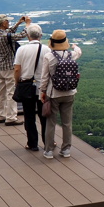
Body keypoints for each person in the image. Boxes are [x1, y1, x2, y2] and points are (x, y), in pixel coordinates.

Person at [39, 29, 82, 159]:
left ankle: (49, 150)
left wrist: (42, 92)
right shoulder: (71, 55)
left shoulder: (49, 57)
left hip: (54, 93)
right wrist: (75, 46)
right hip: (70, 92)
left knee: (51, 122)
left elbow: (44, 77)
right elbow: (79, 52)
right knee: (67, 123)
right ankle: (66, 149)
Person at [13, 24, 49, 152]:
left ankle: (32, 143)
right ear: (40, 35)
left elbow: (17, 69)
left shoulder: (21, 50)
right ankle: (48, 142)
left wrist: (17, 83)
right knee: (44, 115)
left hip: (26, 85)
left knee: (29, 116)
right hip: (42, 87)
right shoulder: (46, 49)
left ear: (28, 36)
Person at [0, 14, 28, 125]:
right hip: (9, 67)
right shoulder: (5, 36)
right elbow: (21, 35)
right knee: (11, 93)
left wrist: (18, 23)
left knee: (1, 92)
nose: (8, 23)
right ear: (3, 23)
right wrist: (27, 25)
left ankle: (1, 115)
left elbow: (9, 33)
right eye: (7, 21)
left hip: (0, 67)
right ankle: (11, 118)